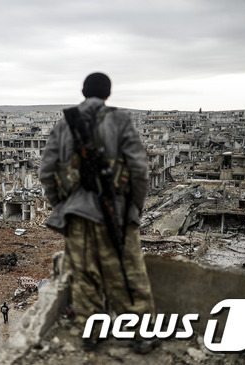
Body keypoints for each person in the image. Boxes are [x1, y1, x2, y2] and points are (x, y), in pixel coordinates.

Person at [39, 72, 157, 354]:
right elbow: (139, 170)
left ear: (82, 91)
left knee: (84, 275)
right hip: (115, 213)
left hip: (77, 216)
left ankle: (91, 334)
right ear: (108, 94)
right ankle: (139, 334)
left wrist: (62, 206)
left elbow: (46, 172)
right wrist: (134, 208)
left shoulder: (64, 125)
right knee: (126, 274)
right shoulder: (120, 121)